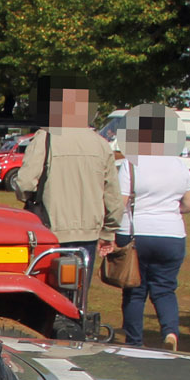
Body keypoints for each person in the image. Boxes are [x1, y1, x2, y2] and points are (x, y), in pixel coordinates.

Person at [115, 106, 190, 349]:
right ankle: (170, 332)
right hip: (171, 234)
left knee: (135, 291)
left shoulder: (131, 165)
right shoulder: (179, 165)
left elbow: (120, 204)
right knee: (165, 289)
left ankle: (134, 342)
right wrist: (173, 211)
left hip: (135, 232)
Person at [20, 87, 122, 257]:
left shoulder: (45, 138)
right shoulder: (101, 144)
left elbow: (25, 183)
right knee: (80, 283)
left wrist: (27, 198)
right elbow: (113, 196)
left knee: (46, 283)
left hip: (50, 228)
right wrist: (109, 231)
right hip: (89, 232)